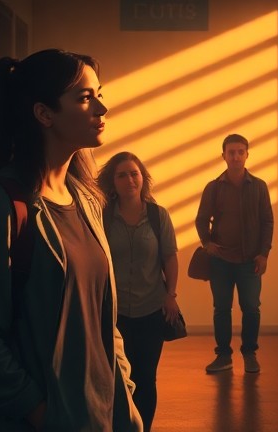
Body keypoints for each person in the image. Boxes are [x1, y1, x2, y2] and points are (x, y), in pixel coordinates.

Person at [0, 50, 144, 432]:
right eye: (85, 98)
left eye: (99, 93)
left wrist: (126, 396)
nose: (102, 107)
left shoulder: (87, 200)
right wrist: (40, 413)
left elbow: (100, 317)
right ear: (44, 114)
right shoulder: (1, 205)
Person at [97, 152, 181, 432]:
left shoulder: (159, 216)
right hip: (113, 312)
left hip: (150, 309)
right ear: (113, 181)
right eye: (122, 174)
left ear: (143, 178)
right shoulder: (103, 215)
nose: (130, 179)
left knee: (146, 377)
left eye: (134, 173)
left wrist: (171, 294)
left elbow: (170, 257)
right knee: (115, 377)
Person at [194, 133, 274, 374]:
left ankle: (250, 354)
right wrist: (207, 242)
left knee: (251, 308)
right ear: (224, 156)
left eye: (240, 152)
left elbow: (267, 222)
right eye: (232, 152)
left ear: (247, 155)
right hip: (221, 261)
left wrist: (263, 254)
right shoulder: (213, 187)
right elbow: (200, 219)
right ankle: (223, 356)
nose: (236, 156)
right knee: (221, 308)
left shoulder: (259, 186)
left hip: (250, 261)